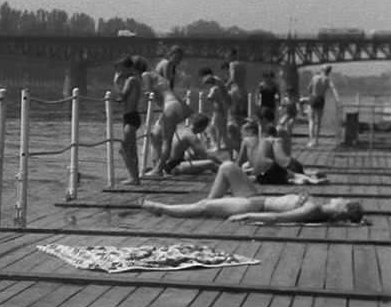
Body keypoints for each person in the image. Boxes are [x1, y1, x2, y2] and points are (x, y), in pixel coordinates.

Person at [141, 161, 363, 223]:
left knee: (204, 205)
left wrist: (247, 215)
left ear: (341, 209)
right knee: (227, 167)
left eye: (343, 200)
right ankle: (212, 208)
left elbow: (278, 218)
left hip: (251, 206)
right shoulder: (317, 206)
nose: (339, 197)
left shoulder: (313, 209)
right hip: (256, 197)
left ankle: (162, 209)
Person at [143, 62, 192, 176]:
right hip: (165, 112)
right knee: (154, 136)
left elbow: (188, 110)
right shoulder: (161, 88)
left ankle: (159, 168)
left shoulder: (165, 90)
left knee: (165, 141)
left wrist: (173, 121)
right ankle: (158, 165)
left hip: (168, 111)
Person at [113, 55, 143, 185]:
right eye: (118, 71)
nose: (120, 73)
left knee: (123, 148)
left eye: (122, 70)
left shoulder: (131, 80)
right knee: (131, 148)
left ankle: (134, 177)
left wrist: (115, 82)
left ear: (130, 68)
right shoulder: (131, 79)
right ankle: (135, 176)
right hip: (129, 117)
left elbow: (122, 96)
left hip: (131, 118)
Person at [199, 67, 230, 153]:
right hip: (220, 107)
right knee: (219, 127)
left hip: (220, 108)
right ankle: (221, 145)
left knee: (215, 127)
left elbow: (212, 95)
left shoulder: (215, 85)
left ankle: (218, 145)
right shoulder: (216, 82)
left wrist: (209, 97)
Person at [307, 65, 340, 147]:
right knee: (318, 122)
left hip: (313, 97)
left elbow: (309, 89)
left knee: (311, 121)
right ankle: (316, 141)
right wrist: (338, 100)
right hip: (320, 99)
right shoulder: (328, 80)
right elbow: (333, 89)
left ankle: (311, 141)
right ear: (329, 72)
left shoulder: (315, 77)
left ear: (321, 70)